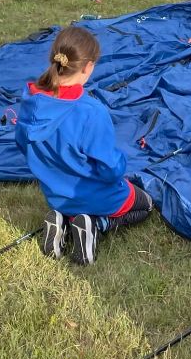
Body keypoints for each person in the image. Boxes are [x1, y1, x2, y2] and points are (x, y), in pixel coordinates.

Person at [15, 26, 153, 265]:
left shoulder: (30, 100)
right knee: (146, 205)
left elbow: (22, 143)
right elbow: (110, 169)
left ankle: (63, 220)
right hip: (96, 195)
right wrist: (121, 167)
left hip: (55, 196)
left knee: (90, 199)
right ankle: (97, 224)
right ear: (88, 67)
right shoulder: (91, 112)